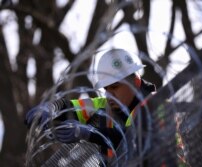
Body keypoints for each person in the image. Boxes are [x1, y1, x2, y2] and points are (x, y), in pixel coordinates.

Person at [25, 48, 156, 161]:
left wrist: (91, 134)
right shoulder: (104, 106)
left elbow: (132, 141)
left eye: (115, 87)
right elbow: (69, 108)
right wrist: (50, 108)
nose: (109, 95)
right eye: (106, 89)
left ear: (136, 82)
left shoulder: (156, 104)